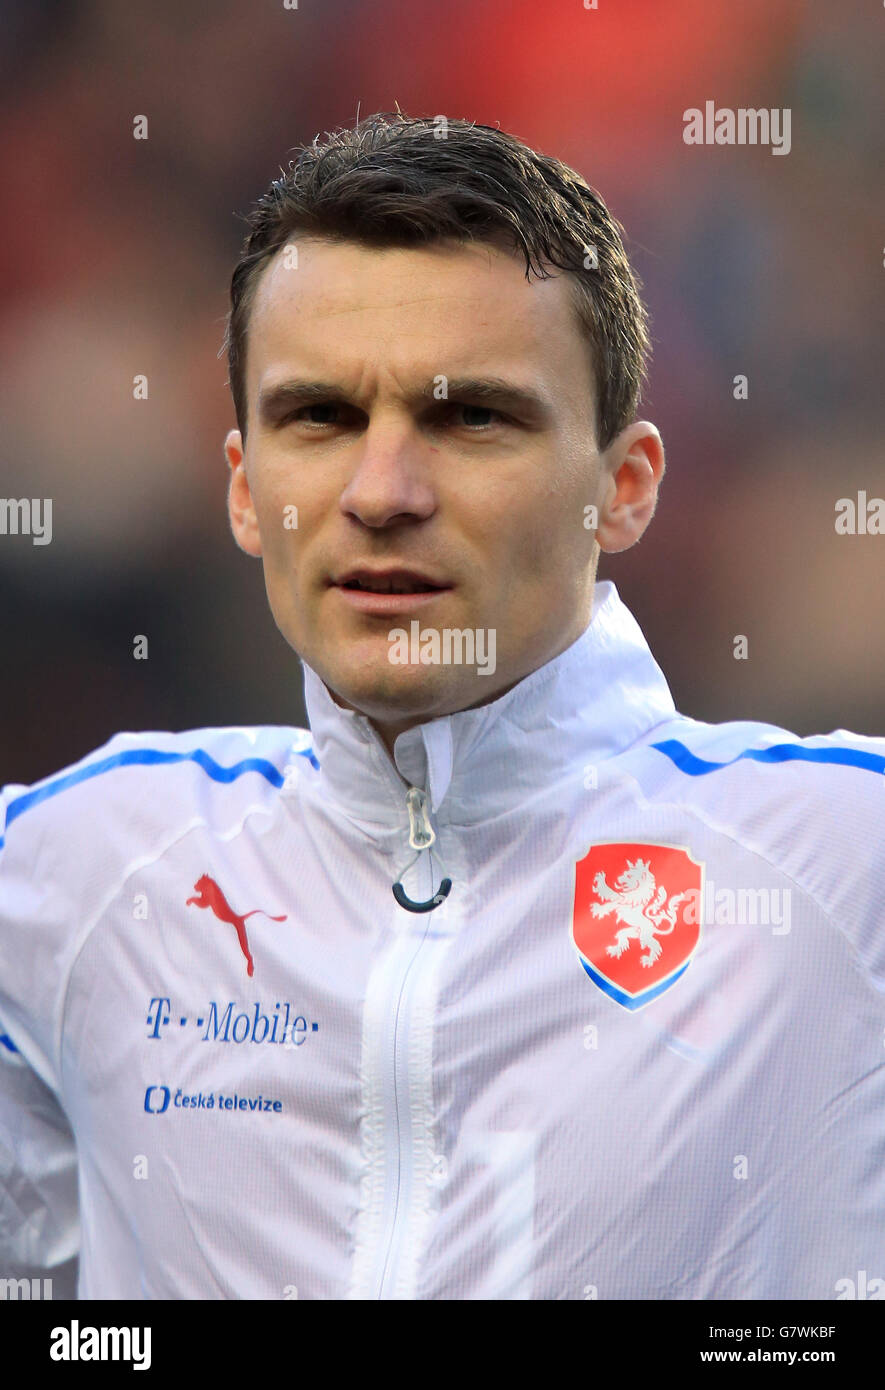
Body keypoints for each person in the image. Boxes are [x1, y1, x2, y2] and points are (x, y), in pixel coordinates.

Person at [1, 112, 883, 1302]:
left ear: (622, 490)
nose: (383, 491)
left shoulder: (840, 869)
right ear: (246, 490)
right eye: (318, 416)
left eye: (472, 417)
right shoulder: (76, 876)